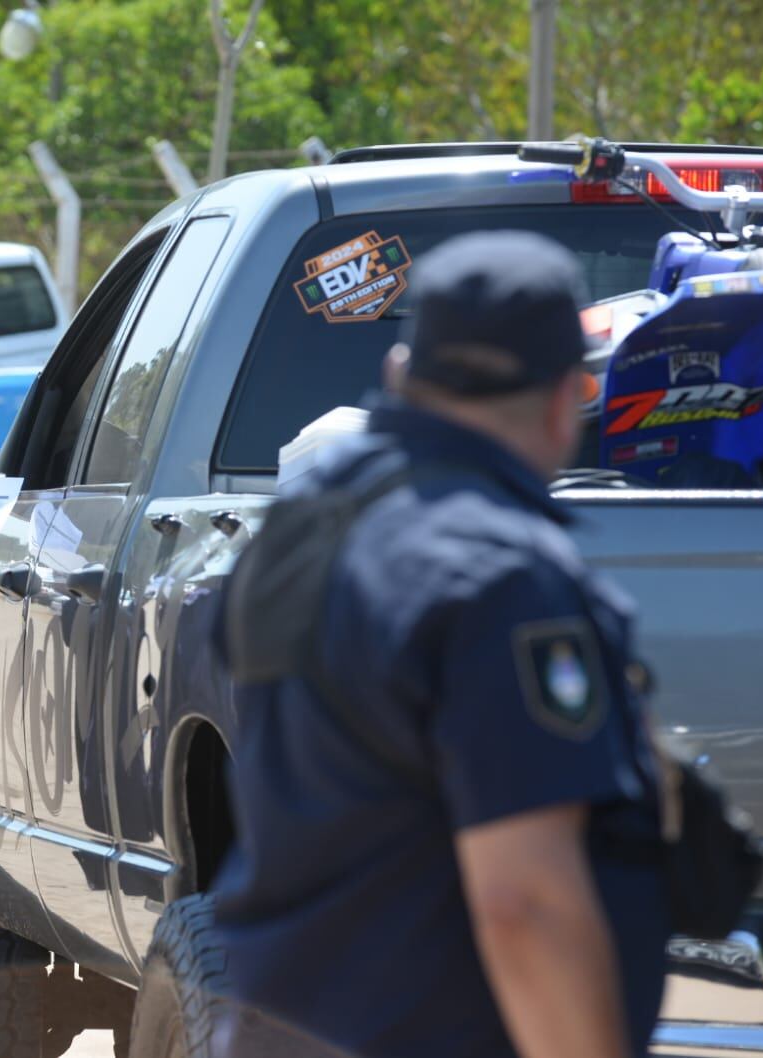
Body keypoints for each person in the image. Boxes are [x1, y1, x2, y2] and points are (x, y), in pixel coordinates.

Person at [211, 232, 669, 1058]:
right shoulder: (506, 579)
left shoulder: (298, 530)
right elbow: (523, 902)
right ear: (572, 397)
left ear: (398, 375)